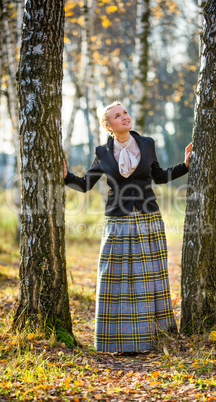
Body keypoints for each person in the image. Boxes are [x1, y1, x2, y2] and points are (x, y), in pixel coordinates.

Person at [63, 101, 191, 354]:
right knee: (114, 279)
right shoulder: (102, 152)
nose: (124, 117)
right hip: (117, 219)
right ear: (108, 126)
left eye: (125, 113)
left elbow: (160, 176)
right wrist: (65, 175)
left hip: (148, 218)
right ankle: (117, 343)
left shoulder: (147, 144)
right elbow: (85, 185)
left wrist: (185, 166)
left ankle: (154, 338)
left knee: (150, 278)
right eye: (117, 116)